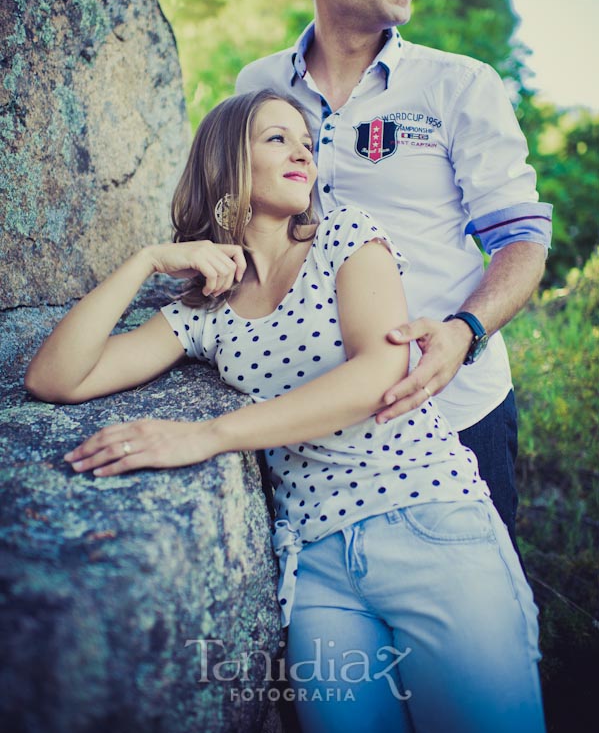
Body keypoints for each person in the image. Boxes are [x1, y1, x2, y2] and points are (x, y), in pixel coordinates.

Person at [25, 90, 545, 733]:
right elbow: (56, 378)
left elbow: (376, 377)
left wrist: (208, 437)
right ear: (226, 163)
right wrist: (147, 261)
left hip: (425, 518)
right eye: (277, 138)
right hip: (317, 565)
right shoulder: (203, 312)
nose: (302, 148)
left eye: (306, 139)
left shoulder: (348, 238)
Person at [235, 0, 553, 547]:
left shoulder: (459, 85)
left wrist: (464, 332)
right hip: (307, 420)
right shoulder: (255, 85)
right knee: (328, 625)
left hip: (455, 409)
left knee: (472, 636)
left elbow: (522, 238)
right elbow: (244, 224)